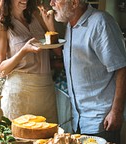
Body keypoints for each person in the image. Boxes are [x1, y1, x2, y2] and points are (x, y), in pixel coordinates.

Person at [39, 0, 126, 143]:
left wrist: (116, 111)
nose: (51, 3)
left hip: (102, 120)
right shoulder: (70, 25)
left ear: (74, 3)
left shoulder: (100, 23)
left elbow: (122, 68)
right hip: (78, 120)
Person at [0, 0, 58, 123]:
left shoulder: (36, 16)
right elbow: (0, 70)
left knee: (49, 139)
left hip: (45, 92)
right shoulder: (1, 25)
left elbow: (59, 52)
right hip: (19, 95)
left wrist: (51, 26)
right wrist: (23, 51)